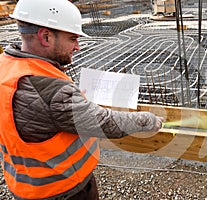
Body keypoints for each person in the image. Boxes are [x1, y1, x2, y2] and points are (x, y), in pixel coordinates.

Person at [0, 0, 163, 199]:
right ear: (45, 36)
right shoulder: (51, 91)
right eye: (72, 38)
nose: (77, 47)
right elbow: (105, 123)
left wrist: (71, 99)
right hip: (63, 189)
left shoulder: (6, 66)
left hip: (24, 184)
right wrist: (147, 120)